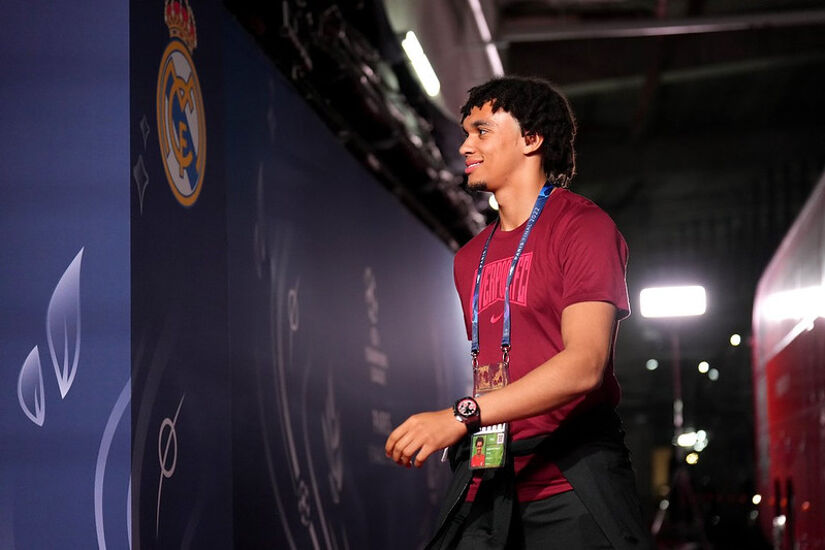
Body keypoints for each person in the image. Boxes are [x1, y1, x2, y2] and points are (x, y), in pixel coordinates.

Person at [384, 76, 651, 549]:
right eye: (466, 132)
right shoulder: (469, 258)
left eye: (482, 131)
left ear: (531, 139)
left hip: (571, 478)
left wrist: (461, 415)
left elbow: (585, 365)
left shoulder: (583, 227)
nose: (465, 144)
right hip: (490, 471)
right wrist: (473, 423)